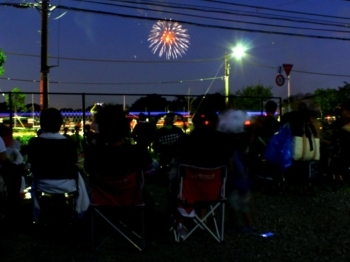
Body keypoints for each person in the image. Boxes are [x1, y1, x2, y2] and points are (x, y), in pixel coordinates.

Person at [27, 108, 90, 222]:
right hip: (68, 184)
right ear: (60, 124)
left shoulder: (34, 143)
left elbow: (31, 163)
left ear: (41, 123)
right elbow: (73, 163)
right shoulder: (69, 143)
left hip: (42, 183)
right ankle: (81, 214)